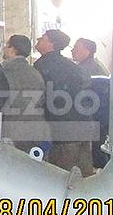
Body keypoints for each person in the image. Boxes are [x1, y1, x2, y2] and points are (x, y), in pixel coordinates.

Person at [34, 29, 95, 176]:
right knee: (84, 177)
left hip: (63, 130)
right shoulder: (71, 66)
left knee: (60, 177)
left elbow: (40, 97)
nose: (38, 39)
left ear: (51, 44)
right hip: (84, 126)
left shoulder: (43, 65)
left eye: (43, 38)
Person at [0, 35, 50, 154]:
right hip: (35, 132)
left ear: (13, 50)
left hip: (12, 133)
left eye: (7, 45)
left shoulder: (6, 73)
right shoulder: (35, 73)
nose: (4, 48)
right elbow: (42, 100)